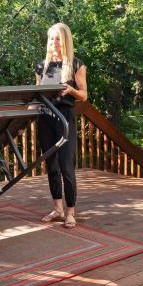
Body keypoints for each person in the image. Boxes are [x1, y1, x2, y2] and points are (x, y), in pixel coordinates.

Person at [35, 22, 87, 228]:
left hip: (65, 118)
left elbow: (83, 95)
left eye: (57, 38)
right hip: (45, 118)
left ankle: (70, 212)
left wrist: (71, 91)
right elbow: (37, 93)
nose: (53, 43)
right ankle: (57, 209)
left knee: (67, 166)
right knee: (52, 166)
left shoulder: (76, 65)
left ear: (64, 40)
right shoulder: (42, 66)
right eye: (50, 39)